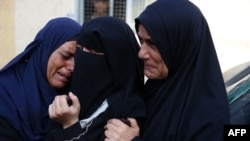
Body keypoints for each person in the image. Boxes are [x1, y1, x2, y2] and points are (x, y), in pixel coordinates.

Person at [104, 0, 230, 141]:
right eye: (141, 40)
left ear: (181, 46)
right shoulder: (155, 88)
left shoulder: (209, 118)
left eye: (153, 43)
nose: (141, 53)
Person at [43, 16, 146, 141]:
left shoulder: (128, 115)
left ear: (116, 62)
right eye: (80, 49)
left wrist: (70, 126)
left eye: (90, 50)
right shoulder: (72, 92)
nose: (82, 59)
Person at [0, 17, 81, 141]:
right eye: (65, 55)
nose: (72, 67)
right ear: (45, 50)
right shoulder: (5, 93)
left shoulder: (74, 97)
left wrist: (70, 125)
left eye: (78, 59)